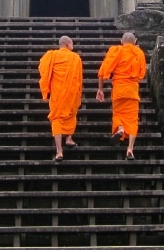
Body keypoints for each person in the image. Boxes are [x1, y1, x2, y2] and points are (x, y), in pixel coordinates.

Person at [95, 32, 147, 160]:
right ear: (135, 41)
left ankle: (120, 128)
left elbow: (102, 72)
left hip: (119, 89)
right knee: (133, 119)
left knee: (118, 114)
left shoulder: (116, 51)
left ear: (121, 41)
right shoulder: (138, 53)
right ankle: (130, 148)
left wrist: (100, 89)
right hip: (132, 91)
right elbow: (142, 74)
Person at [38, 35, 83, 162]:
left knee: (57, 118)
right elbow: (79, 78)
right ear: (68, 45)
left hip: (57, 94)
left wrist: (46, 89)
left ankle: (59, 151)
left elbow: (43, 70)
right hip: (71, 92)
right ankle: (69, 138)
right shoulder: (75, 58)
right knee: (71, 113)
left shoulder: (51, 56)